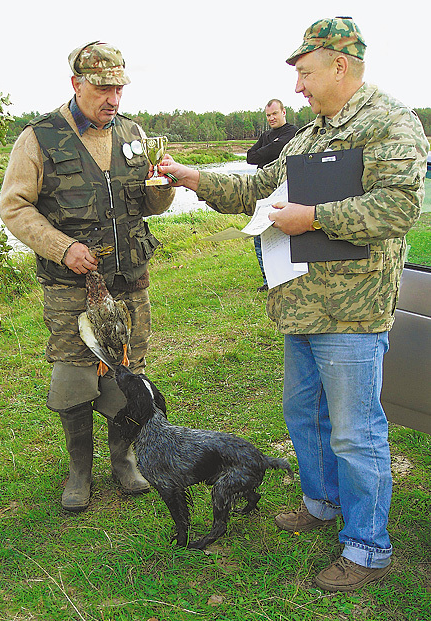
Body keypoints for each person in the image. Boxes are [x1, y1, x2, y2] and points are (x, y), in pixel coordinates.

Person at [158, 17, 428, 591]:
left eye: (305, 74)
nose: (299, 88)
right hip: (300, 305)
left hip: (351, 310)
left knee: (356, 432)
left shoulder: (390, 124)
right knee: (304, 416)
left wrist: (316, 218)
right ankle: (322, 504)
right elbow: (259, 186)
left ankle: (366, 547)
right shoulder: (310, 136)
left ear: (340, 64)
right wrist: (191, 176)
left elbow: (401, 207)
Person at [0, 41, 175, 512]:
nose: (112, 98)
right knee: (75, 381)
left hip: (130, 282)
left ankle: (123, 460)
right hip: (71, 289)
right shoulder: (39, 139)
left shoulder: (134, 134)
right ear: (76, 84)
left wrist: (164, 187)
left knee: (130, 375)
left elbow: (147, 205)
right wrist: (62, 247)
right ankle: (80, 469)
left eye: (118, 88)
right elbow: (13, 207)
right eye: (102, 88)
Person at [246, 100, 297, 291]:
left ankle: (285, 276)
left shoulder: (292, 132)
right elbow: (251, 157)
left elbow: (279, 148)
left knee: (283, 236)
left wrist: (266, 151)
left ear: (284, 112)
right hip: (264, 193)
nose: (271, 118)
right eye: (268, 115)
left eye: (275, 113)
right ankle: (269, 280)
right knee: (260, 237)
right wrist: (270, 148)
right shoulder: (266, 135)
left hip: (283, 191)